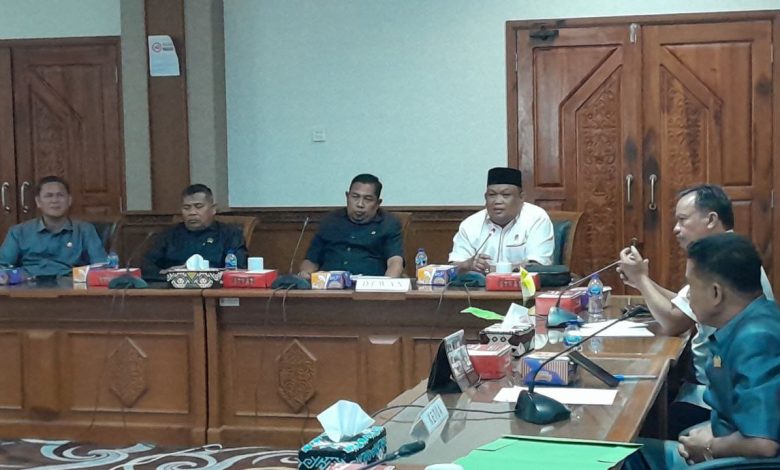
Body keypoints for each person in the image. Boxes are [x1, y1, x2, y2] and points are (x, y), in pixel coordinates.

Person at [617, 184, 774, 437]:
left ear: (711, 219)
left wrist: (642, 280)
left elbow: (674, 321)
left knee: (632, 427)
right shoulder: (727, 251)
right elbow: (685, 303)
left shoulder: (722, 261)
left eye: (682, 220)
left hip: (713, 397)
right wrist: (641, 282)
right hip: (714, 388)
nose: (675, 229)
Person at [623, 233, 780, 468]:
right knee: (627, 451)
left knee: (619, 457)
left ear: (716, 293)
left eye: (692, 287)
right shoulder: (751, 319)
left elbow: (762, 444)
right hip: (727, 449)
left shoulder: (756, 340)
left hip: (739, 463)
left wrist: (709, 447)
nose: (688, 297)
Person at [448, 167, 554, 273]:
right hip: (480, 284)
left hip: (523, 283)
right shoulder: (470, 224)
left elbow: (536, 266)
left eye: (505, 195)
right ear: (485, 197)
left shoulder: (536, 218)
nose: (498, 201)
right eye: (492, 195)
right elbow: (453, 267)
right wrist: (468, 265)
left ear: (521, 197)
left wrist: (491, 270)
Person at [298, 174, 404, 278]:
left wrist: (387, 285)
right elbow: (311, 260)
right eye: (355, 197)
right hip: (330, 284)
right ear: (347, 197)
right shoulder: (330, 221)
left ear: (378, 203)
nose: (360, 204)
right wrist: (305, 274)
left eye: (367, 199)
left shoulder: (388, 224)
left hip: (368, 285)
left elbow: (395, 262)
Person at [0, 176, 106, 277]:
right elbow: (2, 266)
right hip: (28, 284)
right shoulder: (19, 232)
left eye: (60, 195)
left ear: (69, 200)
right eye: (48, 196)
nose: (55, 201)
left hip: (71, 284)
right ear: (38, 202)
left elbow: (100, 266)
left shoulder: (85, 230)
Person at [142, 184, 247, 280]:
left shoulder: (231, 234)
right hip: (174, 288)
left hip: (214, 288)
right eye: (186, 208)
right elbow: (146, 266)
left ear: (213, 209)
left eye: (198, 206)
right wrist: (168, 273)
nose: (192, 212)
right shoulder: (168, 235)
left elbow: (239, 268)